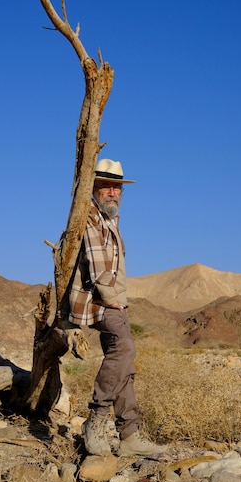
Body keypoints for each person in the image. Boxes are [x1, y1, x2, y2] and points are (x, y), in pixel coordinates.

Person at [66, 158, 168, 459]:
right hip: (100, 301)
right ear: (93, 188)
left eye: (117, 187)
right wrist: (115, 303)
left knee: (125, 367)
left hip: (114, 301)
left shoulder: (110, 219)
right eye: (106, 186)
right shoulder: (90, 217)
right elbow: (98, 270)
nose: (112, 192)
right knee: (124, 350)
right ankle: (95, 421)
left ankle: (130, 436)